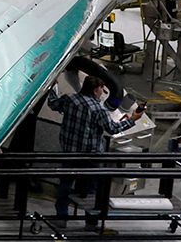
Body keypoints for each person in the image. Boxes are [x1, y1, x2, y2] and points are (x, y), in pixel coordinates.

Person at [47, 75, 144, 227]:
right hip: (90, 156)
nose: (102, 92)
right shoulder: (99, 109)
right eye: (101, 89)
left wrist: (53, 87)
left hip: (69, 153)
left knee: (65, 185)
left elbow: (53, 104)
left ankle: (62, 217)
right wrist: (132, 119)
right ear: (95, 90)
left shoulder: (69, 100)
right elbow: (112, 128)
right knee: (91, 189)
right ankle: (91, 222)